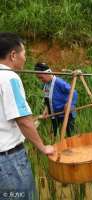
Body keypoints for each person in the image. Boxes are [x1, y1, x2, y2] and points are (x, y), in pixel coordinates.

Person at [0, 32, 54, 199]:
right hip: (9, 160)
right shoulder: (9, 78)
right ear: (13, 55)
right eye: (24, 53)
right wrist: (43, 147)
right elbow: (23, 121)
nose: (25, 58)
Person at [34, 62, 78, 137]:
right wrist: (46, 110)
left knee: (69, 135)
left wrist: (69, 104)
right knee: (56, 135)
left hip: (66, 114)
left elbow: (73, 92)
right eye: (39, 78)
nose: (40, 80)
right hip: (55, 115)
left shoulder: (59, 82)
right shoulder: (45, 85)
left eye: (41, 77)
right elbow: (48, 99)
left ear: (47, 74)